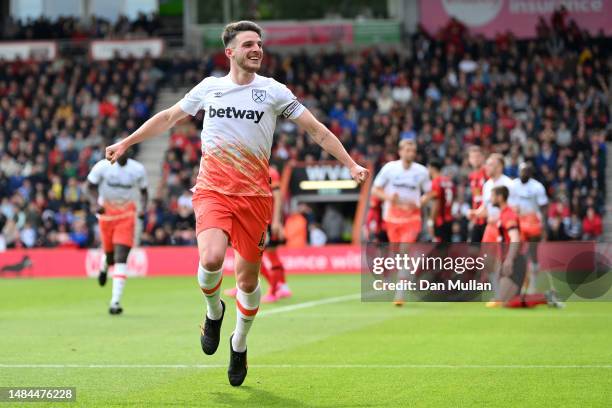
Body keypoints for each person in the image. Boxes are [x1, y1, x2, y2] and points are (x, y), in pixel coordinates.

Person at [104, 21, 368, 387]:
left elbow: (316, 129)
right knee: (211, 258)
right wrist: (127, 142)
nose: (256, 49)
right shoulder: (210, 89)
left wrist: (350, 163)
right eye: (248, 44)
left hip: (255, 198)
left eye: (259, 43)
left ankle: (239, 342)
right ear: (230, 52)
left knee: (247, 280)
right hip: (213, 190)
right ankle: (214, 313)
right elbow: (168, 117)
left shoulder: (273, 91)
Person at [86, 151, 148, 315]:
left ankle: (115, 302)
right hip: (106, 213)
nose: (122, 153)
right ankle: (105, 265)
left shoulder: (137, 169)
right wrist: (94, 204)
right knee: (111, 255)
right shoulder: (102, 166)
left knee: (121, 257)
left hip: (127, 214)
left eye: (126, 149)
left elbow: (144, 191)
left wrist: (143, 208)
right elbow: (90, 186)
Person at [371, 139, 430, 306]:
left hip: (412, 217)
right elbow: (376, 189)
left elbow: (429, 192)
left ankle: (400, 293)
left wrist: (419, 203)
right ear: (400, 151)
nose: (410, 153)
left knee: (404, 249)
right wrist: (389, 198)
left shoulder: (421, 171)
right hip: (392, 217)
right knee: (396, 253)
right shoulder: (390, 168)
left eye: (413, 151)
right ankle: (404, 274)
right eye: (407, 150)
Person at [487, 186, 562, 309]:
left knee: (506, 302)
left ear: (500, 198)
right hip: (511, 260)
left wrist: (510, 259)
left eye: (492, 196)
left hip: (515, 261)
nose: (490, 199)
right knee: (507, 301)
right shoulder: (504, 214)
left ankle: (546, 297)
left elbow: (515, 238)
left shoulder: (508, 215)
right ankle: (548, 297)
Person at [225, 165, 291, 303]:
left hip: (269, 220)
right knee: (250, 255)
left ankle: (275, 290)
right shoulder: (249, 168)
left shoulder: (270, 171)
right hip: (257, 219)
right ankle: (278, 286)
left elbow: (278, 197)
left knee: (266, 255)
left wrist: (276, 221)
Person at [510, 163, 548, 293]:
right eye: (521, 171)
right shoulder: (513, 185)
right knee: (517, 252)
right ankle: (518, 285)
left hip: (532, 221)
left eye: (525, 172)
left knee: (533, 252)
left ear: (530, 173)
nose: (523, 174)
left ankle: (533, 285)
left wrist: (543, 225)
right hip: (518, 220)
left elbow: (543, 207)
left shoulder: (537, 187)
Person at [469, 153, 514, 243]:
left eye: (490, 165)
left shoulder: (508, 184)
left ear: (499, 167)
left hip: (504, 227)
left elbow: (513, 209)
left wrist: (498, 218)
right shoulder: (487, 185)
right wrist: (475, 213)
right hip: (491, 226)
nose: (486, 167)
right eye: (486, 164)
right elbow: (486, 207)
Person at [422, 158, 455, 242]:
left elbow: (436, 203)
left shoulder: (436, 181)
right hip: (449, 219)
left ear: (432, 168)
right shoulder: (449, 181)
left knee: (440, 251)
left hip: (440, 220)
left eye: (428, 168)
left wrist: (431, 222)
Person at [467, 146, 487, 242]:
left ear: (483, 158)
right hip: (476, 217)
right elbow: (476, 197)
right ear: (469, 160)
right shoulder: (471, 176)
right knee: (473, 251)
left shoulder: (487, 173)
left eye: (478, 156)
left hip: (486, 217)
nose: (476, 159)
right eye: (473, 157)